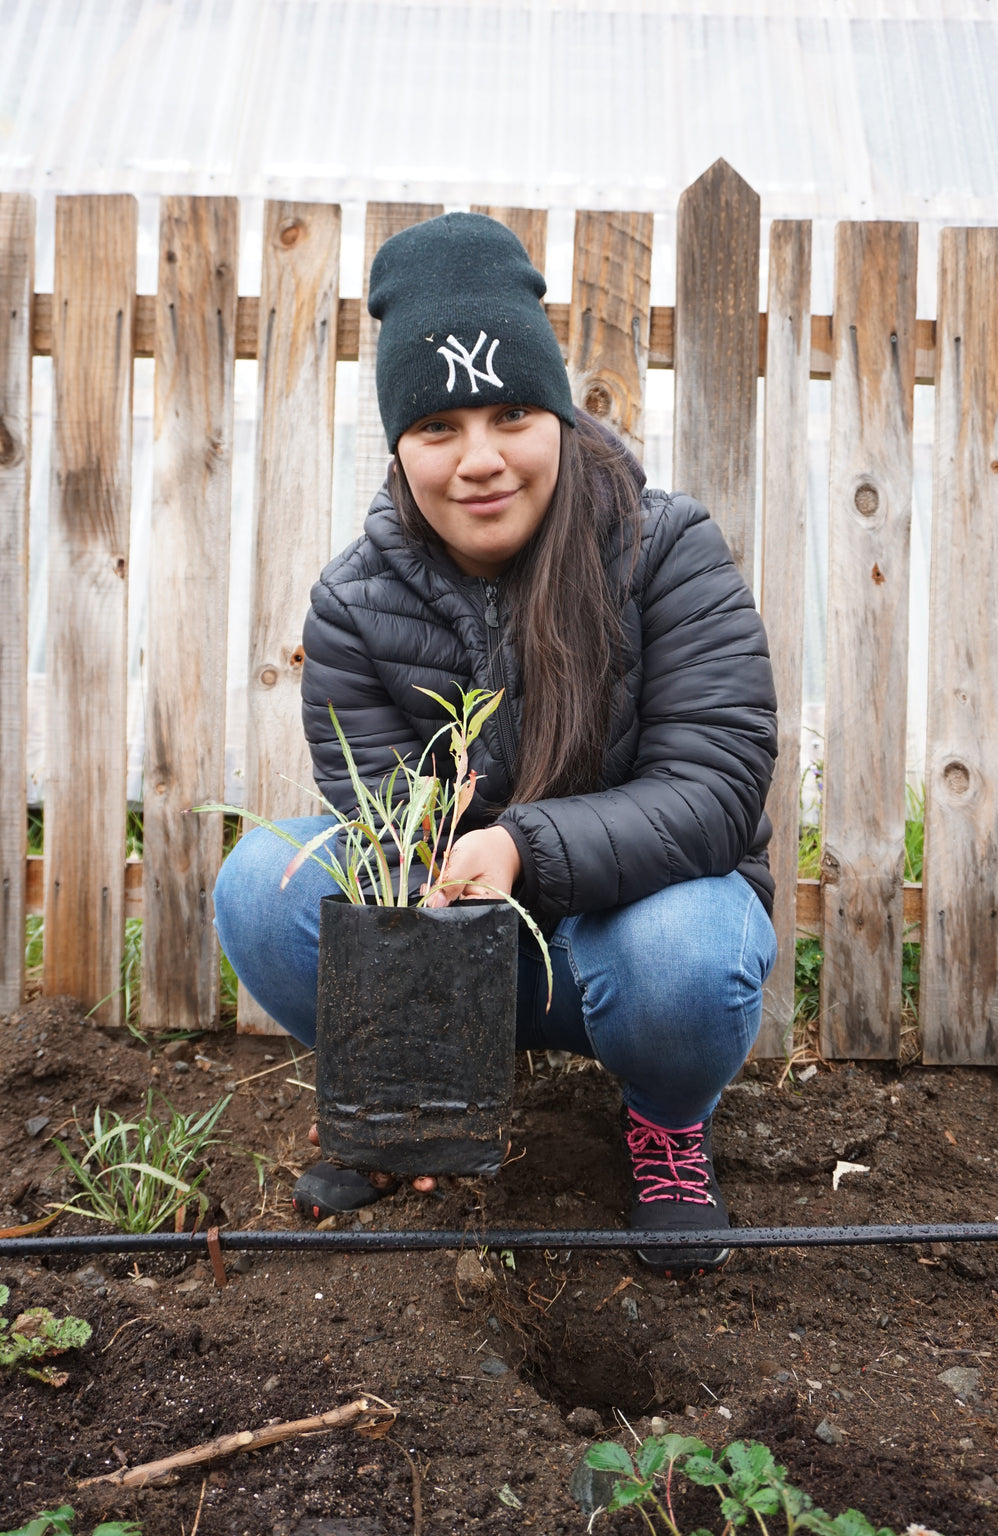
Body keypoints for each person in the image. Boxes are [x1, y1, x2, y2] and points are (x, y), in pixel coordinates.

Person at [213, 211, 778, 1276]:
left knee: (686, 950)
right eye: (437, 429)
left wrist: (519, 845)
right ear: (399, 445)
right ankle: (406, 1102)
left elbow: (716, 787)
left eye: (511, 413)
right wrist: (430, 904)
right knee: (259, 883)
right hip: (470, 948)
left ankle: (664, 1121)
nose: (480, 461)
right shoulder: (354, 601)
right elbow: (376, 818)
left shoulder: (665, 550)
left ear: (558, 416)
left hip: (631, 942)